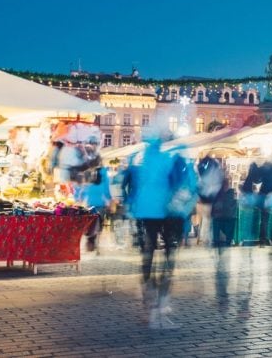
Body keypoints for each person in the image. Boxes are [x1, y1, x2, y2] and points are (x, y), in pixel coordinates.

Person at [121, 128, 198, 330]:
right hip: (167, 213)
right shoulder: (170, 158)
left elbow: (131, 187)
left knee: (148, 257)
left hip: (146, 213)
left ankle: (149, 307)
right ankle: (160, 309)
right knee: (168, 260)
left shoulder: (142, 159)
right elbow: (187, 183)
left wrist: (131, 207)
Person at [242, 159, 272, 246]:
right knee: (271, 217)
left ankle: (263, 238)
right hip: (271, 196)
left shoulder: (264, 170)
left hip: (264, 195)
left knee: (264, 218)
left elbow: (256, 179)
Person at [75, 166, 112, 254]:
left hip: (90, 204)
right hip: (101, 204)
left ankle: (91, 243)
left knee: (91, 225)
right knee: (99, 226)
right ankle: (97, 245)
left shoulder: (88, 176)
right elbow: (107, 191)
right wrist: (109, 200)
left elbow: (82, 190)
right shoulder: (104, 176)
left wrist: (79, 199)